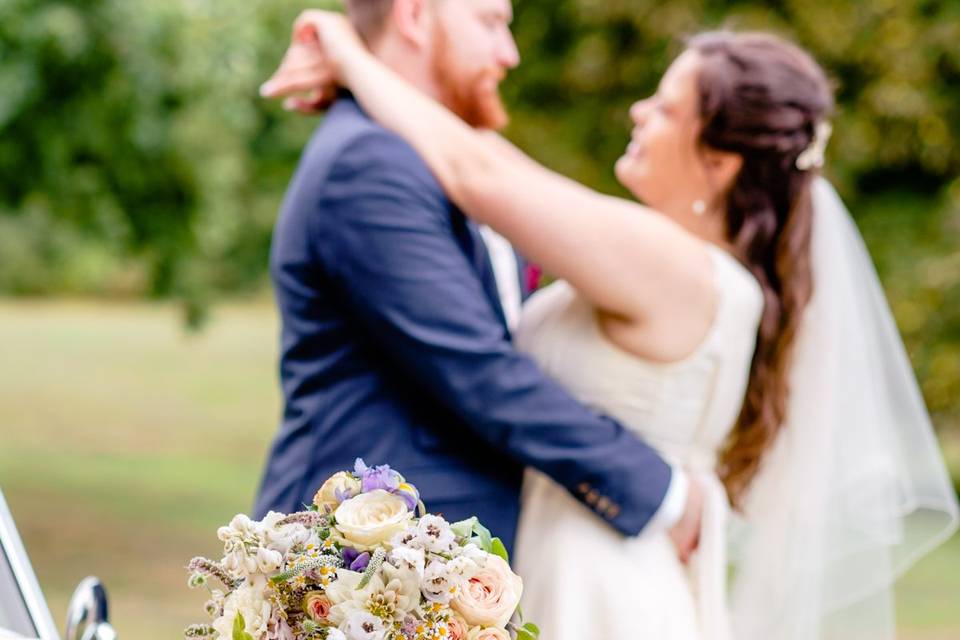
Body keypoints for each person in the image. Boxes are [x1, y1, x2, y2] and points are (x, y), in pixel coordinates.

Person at [261, 9, 960, 640]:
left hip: (600, 579)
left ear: (717, 160)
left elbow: (480, 173)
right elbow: (484, 166)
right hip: (578, 560)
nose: (637, 108)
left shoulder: (671, 263)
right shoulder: (681, 264)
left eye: (664, 105)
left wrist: (351, 56)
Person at [252, 0, 702, 570]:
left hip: (443, 573)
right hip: (356, 574)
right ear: (415, 16)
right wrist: (661, 492)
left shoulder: (451, 166)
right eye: (491, 23)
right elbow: (479, 373)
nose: (509, 54)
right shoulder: (369, 163)